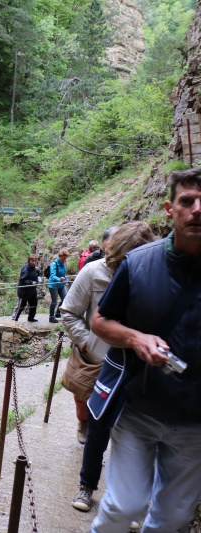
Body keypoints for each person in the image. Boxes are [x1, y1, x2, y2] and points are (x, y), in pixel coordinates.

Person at [89, 168, 201, 532]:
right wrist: (137, 338)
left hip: (195, 421)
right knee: (124, 507)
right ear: (170, 209)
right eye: (187, 201)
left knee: (172, 520)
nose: (197, 209)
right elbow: (100, 321)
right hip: (139, 409)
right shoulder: (139, 264)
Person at [61, 224, 154, 517]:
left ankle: (132, 503)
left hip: (141, 367)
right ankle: (87, 486)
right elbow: (69, 311)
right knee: (98, 426)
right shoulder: (93, 272)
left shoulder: (154, 274)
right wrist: (88, 344)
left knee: (138, 433)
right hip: (104, 364)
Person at [14, 254, 39, 322]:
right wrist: (31, 282)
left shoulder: (34, 268)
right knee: (22, 305)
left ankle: (31, 318)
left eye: (35, 261)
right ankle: (16, 318)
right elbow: (22, 279)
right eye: (32, 261)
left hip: (32, 290)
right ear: (29, 261)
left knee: (34, 304)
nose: (34, 262)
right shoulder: (25, 268)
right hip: (24, 291)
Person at [47, 249, 69, 323]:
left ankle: (58, 312)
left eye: (65, 258)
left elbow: (63, 274)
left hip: (61, 284)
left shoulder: (64, 263)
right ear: (60, 257)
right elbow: (52, 275)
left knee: (65, 298)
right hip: (53, 285)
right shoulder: (54, 264)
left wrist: (63, 279)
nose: (64, 260)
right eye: (63, 258)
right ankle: (51, 317)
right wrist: (59, 279)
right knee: (54, 301)